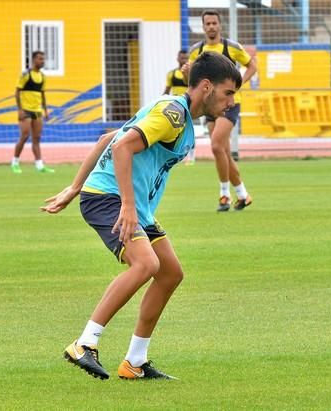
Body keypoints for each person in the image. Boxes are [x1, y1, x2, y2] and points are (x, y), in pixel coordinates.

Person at [41, 52, 242, 380]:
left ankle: (134, 362)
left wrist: (74, 187)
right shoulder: (173, 115)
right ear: (206, 87)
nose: (232, 101)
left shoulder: (175, 111)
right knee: (146, 264)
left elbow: (109, 138)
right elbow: (121, 148)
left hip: (131, 204)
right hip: (110, 199)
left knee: (170, 273)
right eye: (228, 92)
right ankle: (84, 343)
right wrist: (126, 206)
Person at [183, 9, 257, 212]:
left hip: (229, 105)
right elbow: (191, 83)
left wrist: (237, 87)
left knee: (216, 145)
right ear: (203, 26)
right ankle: (242, 194)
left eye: (214, 23)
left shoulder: (231, 47)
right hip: (209, 105)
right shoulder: (196, 51)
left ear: (220, 25)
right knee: (222, 151)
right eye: (207, 23)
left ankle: (224, 195)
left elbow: (252, 66)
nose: (211, 27)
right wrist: (186, 74)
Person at [11, 51, 54, 174]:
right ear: (34, 60)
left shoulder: (43, 76)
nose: (42, 61)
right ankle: (15, 162)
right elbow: (17, 92)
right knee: (24, 136)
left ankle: (40, 165)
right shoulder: (26, 74)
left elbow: (42, 94)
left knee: (37, 138)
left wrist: (45, 111)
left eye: (43, 59)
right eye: (40, 59)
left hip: (37, 111)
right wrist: (19, 110)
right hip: (26, 111)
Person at [163, 49, 194, 164]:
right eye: (182, 58)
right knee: (176, 131)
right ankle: (178, 155)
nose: (184, 60)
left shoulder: (192, 74)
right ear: (177, 59)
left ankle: (191, 156)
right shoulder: (171, 74)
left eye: (186, 58)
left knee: (190, 130)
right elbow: (167, 90)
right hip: (176, 106)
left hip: (190, 105)